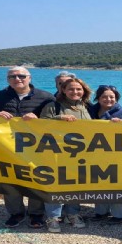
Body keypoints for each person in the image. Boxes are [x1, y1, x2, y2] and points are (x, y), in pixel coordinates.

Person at [0, 66, 55, 229]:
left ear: (29, 77)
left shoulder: (45, 97)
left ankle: (36, 213)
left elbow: (52, 122)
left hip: (36, 147)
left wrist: (38, 118)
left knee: (36, 178)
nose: (17, 79)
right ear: (7, 79)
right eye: (13, 76)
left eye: (21, 76)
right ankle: (16, 213)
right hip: (7, 146)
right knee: (10, 178)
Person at [39, 78, 92, 232]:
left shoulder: (86, 107)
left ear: (84, 91)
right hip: (56, 153)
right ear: (63, 90)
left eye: (78, 89)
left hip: (80, 155)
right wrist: (58, 119)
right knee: (55, 184)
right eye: (71, 89)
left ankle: (72, 214)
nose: (75, 92)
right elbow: (38, 126)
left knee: (75, 184)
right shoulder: (53, 106)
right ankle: (53, 217)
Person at [89, 85, 122, 224]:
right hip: (96, 153)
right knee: (99, 182)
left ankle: (121, 215)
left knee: (116, 183)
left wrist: (121, 125)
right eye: (104, 97)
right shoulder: (91, 111)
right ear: (98, 98)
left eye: (112, 97)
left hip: (117, 155)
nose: (108, 99)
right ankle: (101, 212)